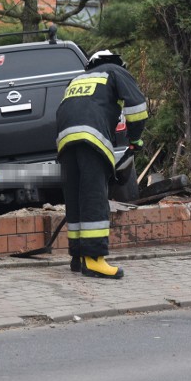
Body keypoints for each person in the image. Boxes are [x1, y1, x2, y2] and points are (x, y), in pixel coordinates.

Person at [56, 50, 148, 279]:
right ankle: (95, 259)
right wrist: (135, 139)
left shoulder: (77, 80)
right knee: (94, 196)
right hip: (92, 137)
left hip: (65, 140)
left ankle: (78, 257)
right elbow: (137, 108)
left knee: (76, 196)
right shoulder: (115, 71)